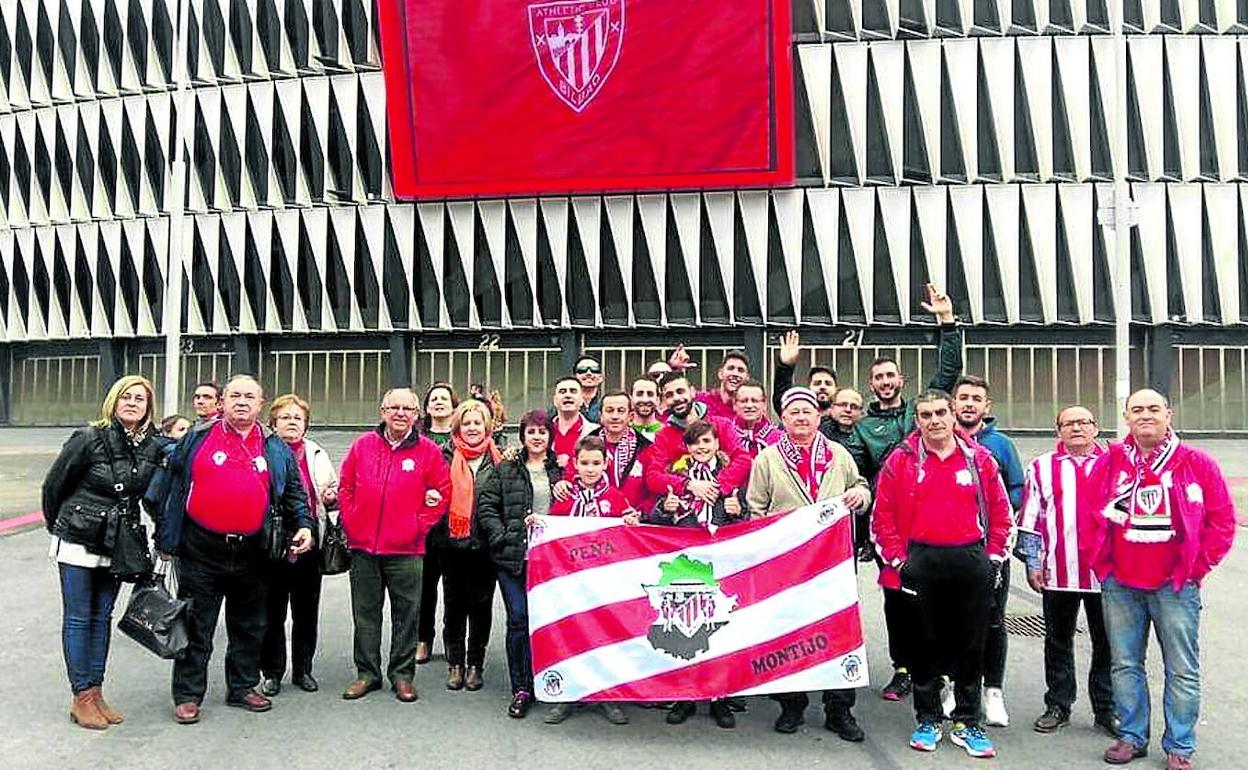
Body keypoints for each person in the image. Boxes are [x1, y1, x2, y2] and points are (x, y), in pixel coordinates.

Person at [1080, 389, 1237, 770]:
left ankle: (1179, 746)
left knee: (1181, 668)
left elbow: (1222, 521)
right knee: (1124, 664)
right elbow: (1088, 513)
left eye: (1153, 408)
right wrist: (1103, 567)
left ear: (1169, 414)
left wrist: (1196, 569)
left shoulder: (1195, 462)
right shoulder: (1112, 461)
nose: (1145, 415)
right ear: (1126, 416)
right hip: (1121, 584)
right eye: (1137, 410)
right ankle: (1132, 737)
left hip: (1176, 586)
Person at [153, 375, 314, 725]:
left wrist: (304, 525)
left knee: (250, 626)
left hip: (254, 552)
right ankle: (188, 694)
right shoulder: (196, 438)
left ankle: (241, 687)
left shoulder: (275, 447)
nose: (242, 402)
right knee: (197, 626)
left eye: (250, 397)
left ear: (261, 405)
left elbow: (294, 497)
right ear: (222, 401)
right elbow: (167, 489)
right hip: (201, 549)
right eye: (235, 395)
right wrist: (167, 539)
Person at [871, 389, 1013, 759]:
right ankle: (928, 718)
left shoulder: (979, 459)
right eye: (925, 415)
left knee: (971, 645)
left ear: (953, 415)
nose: (934, 421)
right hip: (920, 560)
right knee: (924, 644)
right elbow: (881, 516)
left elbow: (1001, 512)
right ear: (916, 421)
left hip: (970, 559)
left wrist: (993, 558)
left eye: (939, 413)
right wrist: (901, 561)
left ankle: (968, 721)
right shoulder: (900, 461)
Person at [848, 283, 960, 701]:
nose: (884, 381)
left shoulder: (921, 414)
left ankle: (939, 670)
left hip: (932, 526)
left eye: (890, 375)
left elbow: (947, 374)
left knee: (936, 604)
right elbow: (859, 474)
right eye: (877, 377)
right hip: (892, 529)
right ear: (871, 384)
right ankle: (903, 668)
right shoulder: (862, 428)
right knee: (897, 603)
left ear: (901, 379)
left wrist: (947, 324)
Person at [744, 387, 871, 740]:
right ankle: (791, 705)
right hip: (787, 565)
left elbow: (859, 486)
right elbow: (756, 508)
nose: (801, 417)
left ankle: (839, 708)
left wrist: (862, 494)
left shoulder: (838, 454)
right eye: (793, 412)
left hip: (834, 561)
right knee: (789, 632)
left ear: (819, 417)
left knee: (838, 630)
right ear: (782, 419)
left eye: (807, 411)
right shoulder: (768, 459)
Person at [42, 375, 165, 730]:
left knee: (102, 616)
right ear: (113, 401)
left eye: (139, 399)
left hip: (119, 540)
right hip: (79, 538)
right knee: (80, 616)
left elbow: (152, 494)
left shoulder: (152, 445)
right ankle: (81, 696)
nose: (132, 403)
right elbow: (54, 485)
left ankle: (96, 692)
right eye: (125, 396)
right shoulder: (88, 437)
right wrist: (61, 526)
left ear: (147, 407)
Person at [338, 388, 450, 703]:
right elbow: (346, 486)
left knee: (407, 615)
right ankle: (367, 674)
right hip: (364, 549)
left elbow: (441, 493)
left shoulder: (428, 451)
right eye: (394, 407)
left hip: (407, 550)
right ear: (382, 410)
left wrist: (419, 527)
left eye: (407, 408)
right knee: (365, 614)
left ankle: (402, 675)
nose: (400, 413)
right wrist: (353, 521)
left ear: (417, 415)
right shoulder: (362, 446)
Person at [639, 420, 747, 730]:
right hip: (686, 566)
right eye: (696, 443)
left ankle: (720, 698)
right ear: (687, 448)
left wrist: (737, 511)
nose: (702, 447)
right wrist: (665, 508)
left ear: (717, 445)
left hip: (720, 565)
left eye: (707, 442)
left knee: (719, 630)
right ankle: (685, 695)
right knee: (686, 629)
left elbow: (747, 523)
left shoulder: (729, 480)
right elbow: (658, 520)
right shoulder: (679, 479)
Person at [1016, 406, 1116, 736]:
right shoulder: (1042, 467)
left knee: (1108, 644)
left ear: (1096, 428)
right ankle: (1058, 704)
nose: (1076, 428)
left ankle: (1106, 708)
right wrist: (1032, 564)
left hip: (1107, 575)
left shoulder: (1116, 465)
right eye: (1068, 423)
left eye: (1083, 422)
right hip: (1058, 572)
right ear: (1058, 431)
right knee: (1058, 641)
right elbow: (1030, 520)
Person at [477, 410, 561, 719]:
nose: (537, 437)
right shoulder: (507, 468)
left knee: (549, 622)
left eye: (542, 431)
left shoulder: (562, 470)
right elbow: (486, 505)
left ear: (550, 437)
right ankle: (522, 687)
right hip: (513, 558)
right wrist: (501, 535)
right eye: (531, 431)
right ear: (522, 435)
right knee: (519, 618)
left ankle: (549, 681)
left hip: (551, 562)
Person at [544, 436, 633, 726]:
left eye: (596, 463)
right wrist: (538, 525)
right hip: (570, 583)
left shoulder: (616, 498)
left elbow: (629, 535)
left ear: (606, 463)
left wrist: (632, 522)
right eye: (585, 463)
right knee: (571, 635)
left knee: (605, 637)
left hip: (604, 583)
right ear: (575, 464)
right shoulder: (565, 498)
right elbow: (551, 530)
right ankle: (569, 694)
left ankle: (608, 694)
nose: (591, 469)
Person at [952, 374, 1024, 727]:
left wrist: (985, 516)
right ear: (953, 403)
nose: (968, 403)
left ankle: (992, 690)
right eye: (963, 397)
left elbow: (1017, 489)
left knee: (993, 620)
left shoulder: (1002, 445)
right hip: (951, 550)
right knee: (951, 620)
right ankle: (953, 685)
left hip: (990, 550)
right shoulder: (939, 441)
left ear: (986, 406)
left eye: (975, 398)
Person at [259, 394, 338, 697]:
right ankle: (272, 672)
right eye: (285, 417)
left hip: (310, 542)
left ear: (306, 424)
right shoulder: (264, 452)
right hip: (273, 543)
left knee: (306, 610)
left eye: (297, 418)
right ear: (273, 423)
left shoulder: (317, 453)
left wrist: (332, 498)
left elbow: (330, 495)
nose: (292, 422)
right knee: (273, 611)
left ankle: (303, 669)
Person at [428, 399, 502, 692]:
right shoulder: (443, 456)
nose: (472, 428)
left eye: (477, 422)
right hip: (450, 543)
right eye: (467, 423)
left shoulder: (500, 460)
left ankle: (475, 664)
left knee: (481, 606)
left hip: (485, 546)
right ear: (458, 426)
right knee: (454, 605)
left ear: (487, 426)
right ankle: (455, 663)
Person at [643, 371, 751, 509]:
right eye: (669, 395)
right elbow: (653, 477)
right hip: (683, 516)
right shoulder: (663, 436)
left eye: (680, 391)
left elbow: (743, 459)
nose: (676, 398)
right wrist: (689, 485)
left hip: (723, 509)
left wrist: (715, 485)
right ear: (664, 401)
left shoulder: (722, 425)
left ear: (693, 392)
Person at [415, 382, 457, 666]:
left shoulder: (462, 438)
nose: (439, 402)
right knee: (424, 587)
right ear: (427, 407)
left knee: (455, 589)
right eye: (434, 399)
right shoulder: (416, 439)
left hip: (454, 525)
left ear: (454, 405)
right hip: (423, 526)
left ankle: (452, 641)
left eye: (444, 399)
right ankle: (423, 639)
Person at [582, 390, 653, 510]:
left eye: (621, 411)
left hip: (634, 521)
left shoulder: (646, 448)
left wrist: (641, 512)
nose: (615, 416)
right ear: (601, 416)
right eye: (609, 411)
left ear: (630, 416)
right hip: (595, 519)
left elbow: (653, 491)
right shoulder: (585, 445)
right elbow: (573, 477)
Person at [772, 330, 838, 419]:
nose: (822, 387)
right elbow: (782, 399)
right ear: (809, 388)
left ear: (836, 389)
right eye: (817, 383)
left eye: (828, 383)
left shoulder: (844, 418)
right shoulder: (798, 416)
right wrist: (785, 366)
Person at [551, 375, 599, 469]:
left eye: (573, 391)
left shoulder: (597, 432)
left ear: (582, 400)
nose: (568, 395)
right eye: (562, 392)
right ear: (555, 400)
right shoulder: (544, 432)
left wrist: (570, 462)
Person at [693, 350, 750, 420]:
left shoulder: (750, 410)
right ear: (720, 374)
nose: (735, 374)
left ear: (747, 378)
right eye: (730, 368)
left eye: (740, 370)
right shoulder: (701, 400)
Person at [733, 379, 781, 458]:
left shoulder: (779, 439)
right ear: (734, 405)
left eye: (754, 401)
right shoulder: (726, 436)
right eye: (744, 401)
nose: (749, 405)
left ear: (764, 405)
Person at [572, 355, 605, 422]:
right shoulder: (565, 405)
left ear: (601, 377)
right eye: (582, 370)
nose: (589, 373)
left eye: (594, 369)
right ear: (574, 377)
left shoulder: (606, 404)